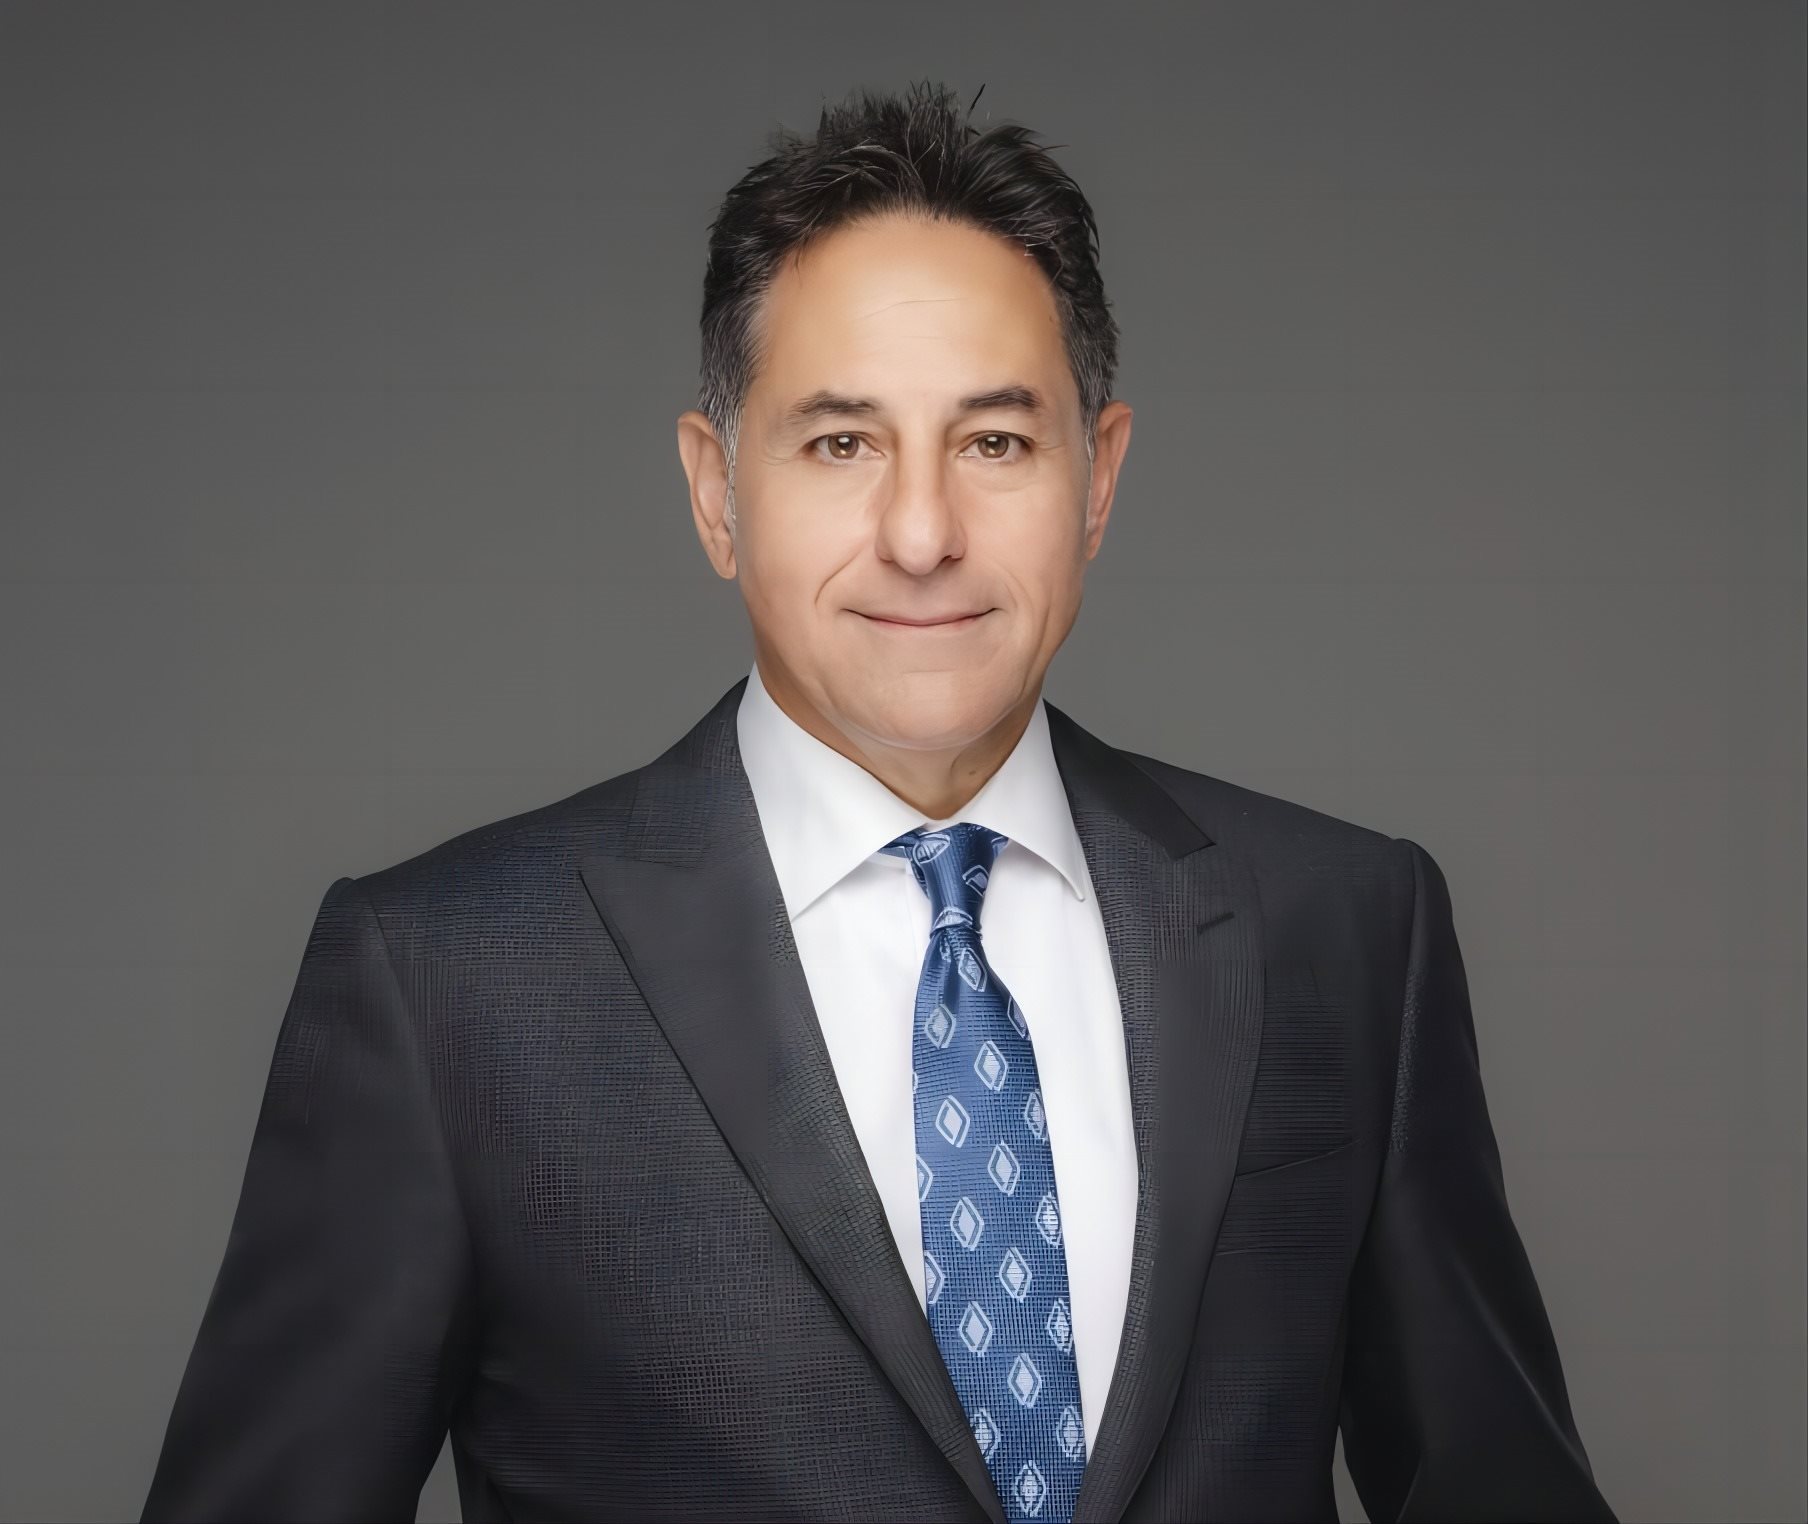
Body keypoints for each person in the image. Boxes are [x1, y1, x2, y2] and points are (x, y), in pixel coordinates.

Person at [140, 79, 1615, 1524]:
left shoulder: (1342, 930)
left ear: (1098, 480)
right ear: (717, 491)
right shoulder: (445, 982)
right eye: (841, 442)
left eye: (996, 442)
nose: (922, 533)